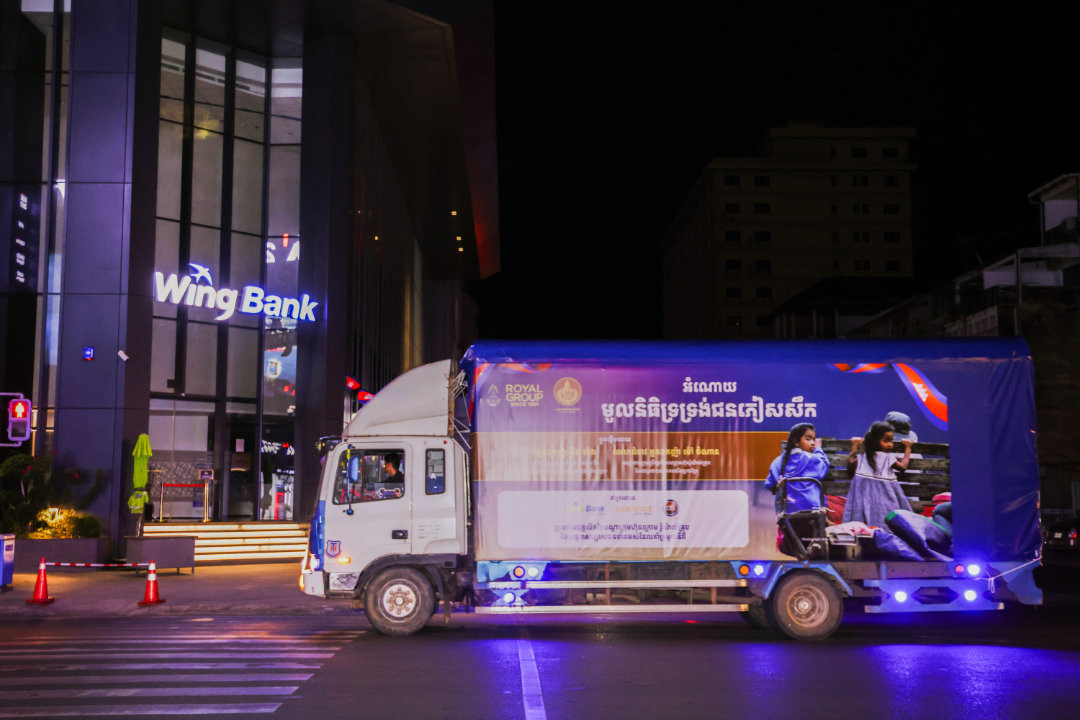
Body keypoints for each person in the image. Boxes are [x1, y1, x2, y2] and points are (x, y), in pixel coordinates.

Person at [842, 421, 913, 527]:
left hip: (864, 500)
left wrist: (855, 446)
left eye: (891, 441)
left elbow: (851, 462)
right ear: (874, 441)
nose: (890, 445)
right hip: (886, 499)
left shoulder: (862, 457)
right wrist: (908, 447)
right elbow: (903, 466)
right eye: (886, 441)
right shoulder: (882, 458)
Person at [765, 423, 831, 512]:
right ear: (796, 442)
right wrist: (818, 449)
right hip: (812, 508)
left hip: (786, 511)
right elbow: (824, 466)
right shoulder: (811, 459)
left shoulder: (777, 462)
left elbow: (769, 484)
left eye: (813, 440)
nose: (812, 443)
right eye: (808, 439)